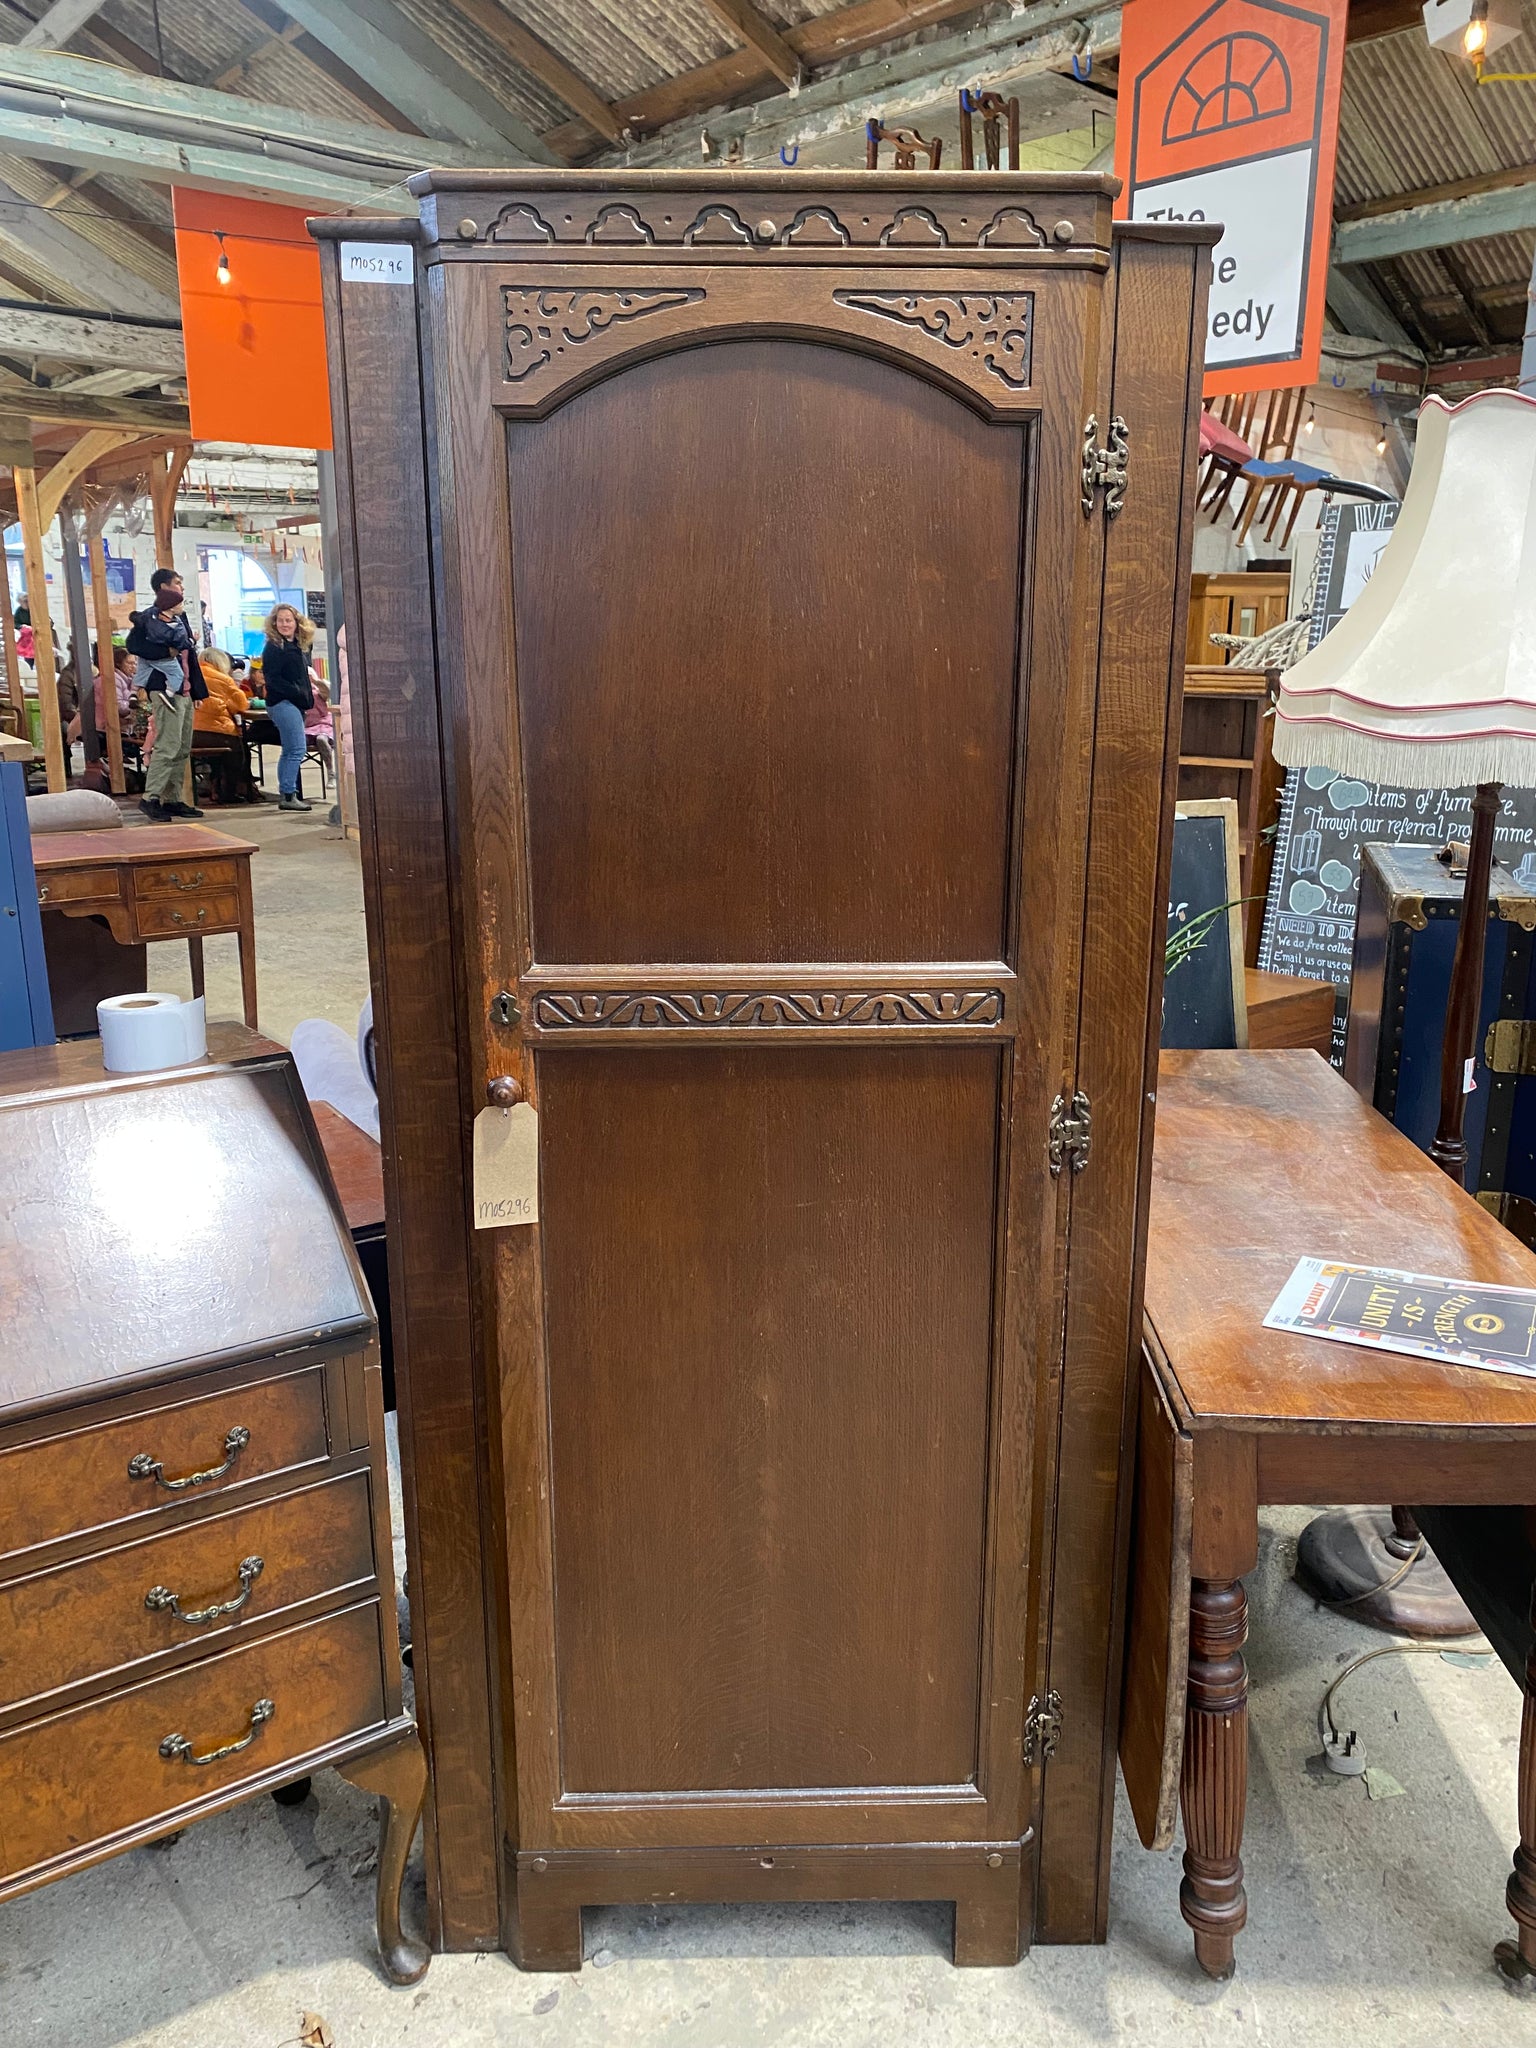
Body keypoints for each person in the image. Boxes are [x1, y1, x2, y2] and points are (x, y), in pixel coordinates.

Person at [128, 567, 207, 821]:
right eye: (177, 583)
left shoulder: (179, 616)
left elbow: (190, 655)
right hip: (164, 689)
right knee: (168, 745)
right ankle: (151, 797)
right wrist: (167, 652)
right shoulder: (147, 619)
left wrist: (197, 689)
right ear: (163, 588)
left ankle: (172, 798)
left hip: (183, 689)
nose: (181, 588)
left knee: (182, 747)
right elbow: (135, 646)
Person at [261, 603, 317, 813]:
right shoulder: (274, 648)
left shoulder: (300, 646)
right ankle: (288, 794)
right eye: (281, 620)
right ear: (274, 623)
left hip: (296, 702)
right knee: (297, 748)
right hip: (282, 703)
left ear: (296, 622)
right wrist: (296, 692)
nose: (285, 624)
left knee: (289, 749)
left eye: (288, 620)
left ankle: (287, 792)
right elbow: (273, 680)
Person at [193, 647, 257, 805]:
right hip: (218, 730)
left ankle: (213, 785)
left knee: (217, 754)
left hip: (192, 732)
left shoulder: (190, 675)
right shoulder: (223, 679)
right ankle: (229, 792)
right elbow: (241, 705)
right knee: (239, 751)